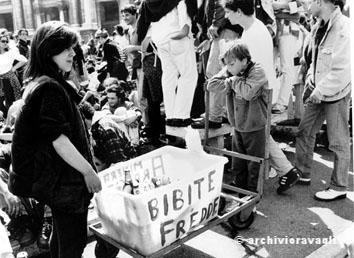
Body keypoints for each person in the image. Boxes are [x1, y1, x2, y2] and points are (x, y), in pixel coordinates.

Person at [11, 21, 102, 258]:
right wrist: (88, 172)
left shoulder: (42, 82)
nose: (73, 53)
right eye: (66, 48)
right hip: (65, 182)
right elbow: (58, 140)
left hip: (57, 180)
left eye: (73, 47)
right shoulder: (49, 88)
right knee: (73, 243)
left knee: (62, 239)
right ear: (48, 50)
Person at [222, 0, 301, 193]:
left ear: (239, 11)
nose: (226, 16)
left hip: (259, 93)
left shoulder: (253, 34)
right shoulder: (254, 29)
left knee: (258, 135)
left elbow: (246, 70)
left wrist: (231, 80)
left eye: (228, 12)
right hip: (262, 90)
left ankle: (280, 172)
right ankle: (285, 171)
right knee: (262, 135)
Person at [295, 0, 351, 201]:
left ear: (321, 1)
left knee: (338, 142)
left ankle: (339, 186)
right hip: (318, 89)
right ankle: (302, 173)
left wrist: (319, 90)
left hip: (336, 92)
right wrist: (311, 79)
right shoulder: (319, 24)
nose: (307, 4)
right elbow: (314, 58)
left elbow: (343, 69)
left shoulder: (344, 27)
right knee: (305, 130)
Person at [209, 42, 268, 193]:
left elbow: (248, 93)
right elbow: (212, 84)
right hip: (238, 124)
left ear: (244, 60)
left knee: (254, 164)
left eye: (232, 64)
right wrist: (230, 75)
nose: (229, 68)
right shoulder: (231, 71)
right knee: (238, 161)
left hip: (255, 125)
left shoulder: (257, 71)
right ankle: (240, 187)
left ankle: (252, 193)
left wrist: (233, 81)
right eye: (227, 65)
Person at [136, 0, 198, 127]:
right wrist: (185, 30)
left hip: (160, 41)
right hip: (177, 37)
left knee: (169, 77)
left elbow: (143, 25)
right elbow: (183, 12)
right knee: (188, 75)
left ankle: (170, 116)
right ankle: (181, 116)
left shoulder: (147, 3)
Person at [0, 31, 27, 118]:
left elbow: (24, 60)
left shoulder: (10, 53)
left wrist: (14, 68)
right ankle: (6, 118)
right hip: (0, 80)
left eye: (6, 41)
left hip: (9, 79)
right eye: (3, 41)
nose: (5, 43)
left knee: (11, 101)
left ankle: (12, 120)